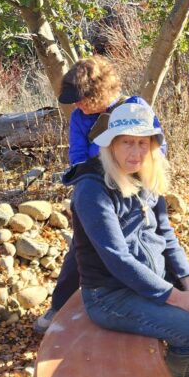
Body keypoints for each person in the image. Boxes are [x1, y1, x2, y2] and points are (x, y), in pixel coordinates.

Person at [64, 102, 189, 377]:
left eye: (142, 143)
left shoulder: (145, 176)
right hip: (110, 295)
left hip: (155, 280)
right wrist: (177, 299)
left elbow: (166, 235)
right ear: (111, 144)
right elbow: (117, 259)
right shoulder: (92, 189)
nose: (135, 152)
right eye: (127, 143)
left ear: (152, 146)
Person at [33, 56, 164, 334]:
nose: (76, 105)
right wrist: (91, 186)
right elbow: (77, 157)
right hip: (98, 191)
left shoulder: (134, 107)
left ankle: (151, 296)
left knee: (145, 241)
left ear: (99, 92)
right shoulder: (81, 118)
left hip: (135, 192)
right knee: (79, 252)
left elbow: (155, 150)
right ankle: (59, 306)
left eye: (81, 99)